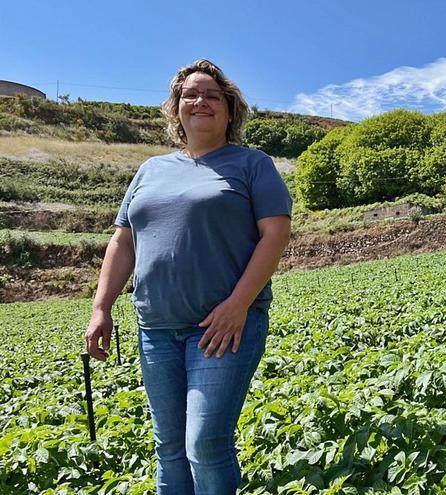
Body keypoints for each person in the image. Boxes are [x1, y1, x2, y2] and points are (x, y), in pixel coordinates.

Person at [84, 59, 292, 494]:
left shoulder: (252, 164)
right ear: (176, 109)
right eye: (190, 95)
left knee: (205, 443)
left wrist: (238, 306)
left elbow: (275, 234)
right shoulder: (151, 169)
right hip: (155, 329)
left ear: (230, 110)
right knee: (169, 447)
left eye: (212, 95)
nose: (200, 101)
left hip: (222, 327)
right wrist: (101, 307)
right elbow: (123, 242)